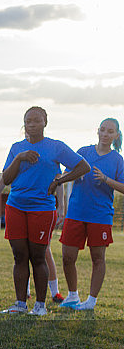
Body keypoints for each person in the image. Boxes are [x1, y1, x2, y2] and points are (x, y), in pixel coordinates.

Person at [0, 106, 90, 316]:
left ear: (45, 123)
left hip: (42, 209)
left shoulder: (55, 147)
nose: (31, 124)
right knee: (19, 256)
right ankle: (20, 304)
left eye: (36, 120)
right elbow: (6, 179)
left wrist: (59, 180)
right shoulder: (16, 148)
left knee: (38, 257)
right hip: (15, 207)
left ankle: (40, 306)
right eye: (28, 121)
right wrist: (19, 157)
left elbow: (83, 166)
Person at [59, 118, 124, 311]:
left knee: (98, 258)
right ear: (98, 131)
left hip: (100, 216)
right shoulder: (84, 152)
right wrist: (75, 174)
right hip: (76, 212)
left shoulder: (117, 160)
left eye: (110, 131)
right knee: (67, 256)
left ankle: (91, 301)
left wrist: (106, 179)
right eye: (102, 130)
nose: (105, 134)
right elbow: (66, 172)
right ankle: (72, 296)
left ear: (116, 136)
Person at [0, 177, 66, 303]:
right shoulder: (17, 158)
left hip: (41, 210)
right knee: (22, 253)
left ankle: (54, 292)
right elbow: (5, 177)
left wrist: (61, 206)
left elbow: (58, 180)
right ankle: (25, 293)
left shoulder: (50, 158)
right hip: (19, 209)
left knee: (44, 252)